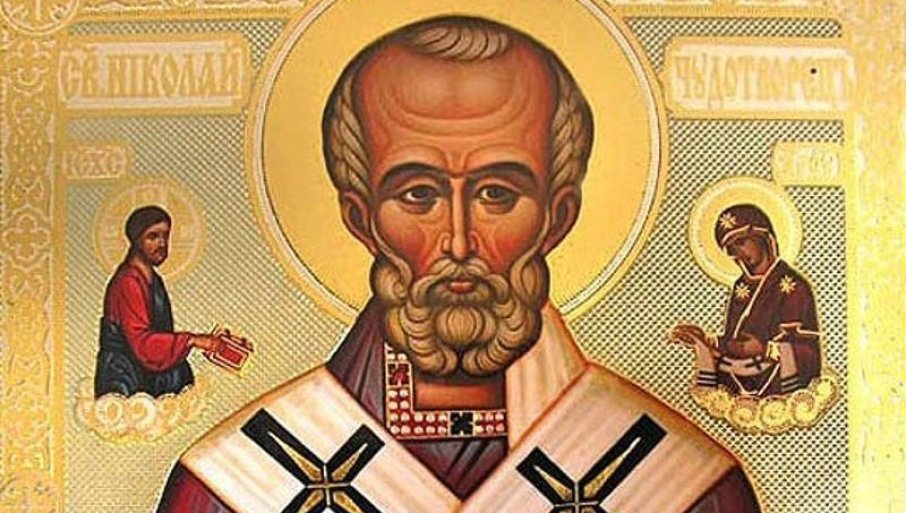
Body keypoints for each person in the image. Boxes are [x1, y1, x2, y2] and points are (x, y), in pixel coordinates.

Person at [157, 17, 761, 513]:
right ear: (361, 218)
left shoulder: (685, 489)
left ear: (558, 216)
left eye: (498, 193)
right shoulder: (233, 487)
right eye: (417, 194)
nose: (459, 241)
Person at [672, 204, 821, 398]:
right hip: (740, 384)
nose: (737, 254)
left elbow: (810, 353)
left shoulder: (792, 286)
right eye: (730, 249)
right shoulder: (742, 287)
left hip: (777, 391)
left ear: (763, 237)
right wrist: (706, 340)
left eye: (741, 242)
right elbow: (735, 342)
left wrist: (767, 349)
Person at [94, 205, 223, 398]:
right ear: (136, 240)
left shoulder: (153, 281)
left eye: (165, 236)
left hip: (148, 370)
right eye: (153, 237)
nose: (162, 244)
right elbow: (142, 343)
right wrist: (192, 340)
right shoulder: (128, 282)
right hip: (127, 377)